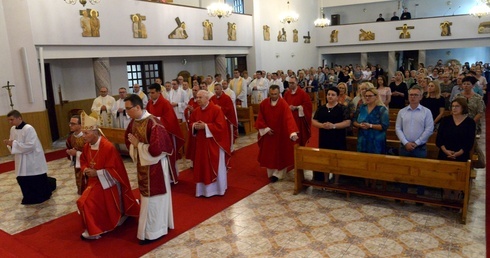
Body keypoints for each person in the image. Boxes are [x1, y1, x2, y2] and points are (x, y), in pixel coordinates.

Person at [77, 111, 139, 240]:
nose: (83, 136)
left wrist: (97, 173)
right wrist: (85, 169)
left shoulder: (107, 147)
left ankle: (98, 228)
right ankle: (95, 224)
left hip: (108, 182)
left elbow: (114, 170)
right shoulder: (87, 146)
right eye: (83, 133)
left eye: (86, 133)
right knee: (82, 201)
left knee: (86, 202)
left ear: (94, 132)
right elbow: (83, 160)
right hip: (94, 182)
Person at [124, 94, 174, 245]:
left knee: (153, 200)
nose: (127, 112)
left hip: (156, 166)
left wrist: (138, 144)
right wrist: (135, 145)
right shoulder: (134, 122)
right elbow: (128, 140)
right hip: (143, 165)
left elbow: (157, 150)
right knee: (146, 199)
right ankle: (149, 229)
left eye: (128, 109)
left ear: (138, 107)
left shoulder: (153, 123)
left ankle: (154, 231)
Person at [4, 110, 56, 205]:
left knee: (35, 177)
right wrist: (10, 144)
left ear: (19, 118)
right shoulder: (13, 129)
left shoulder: (28, 128)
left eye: (12, 119)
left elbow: (31, 145)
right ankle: (28, 197)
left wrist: (13, 144)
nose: (10, 122)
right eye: (9, 120)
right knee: (23, 178)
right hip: (20, 158)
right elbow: (12, 142)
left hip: (31, 157)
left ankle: (41, 196)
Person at [188, 90, 231, 197]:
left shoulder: (216, 110)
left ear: (207, 99)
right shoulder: (196, 111)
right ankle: (202, 191)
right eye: (197, 97)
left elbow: (221, 127)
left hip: (214, 144)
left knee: (214, 165)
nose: (197, 99)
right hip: (201, 144)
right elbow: (191, 123)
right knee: (201, 166)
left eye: (200, 97)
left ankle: (218, 189)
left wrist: (206, 126)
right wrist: (194, 126)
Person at [255, 85, 299, 183]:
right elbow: (260, 118)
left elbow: (289, 118)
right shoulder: (264, 103)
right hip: (268, 134)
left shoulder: (283, 104)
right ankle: (271, 173)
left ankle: (278, 174)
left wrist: (292, 132)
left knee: (280, 153)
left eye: (275, 94)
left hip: (281, 133)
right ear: (269, 93)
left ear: (279, 93)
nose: (273, 96)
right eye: (271, 94)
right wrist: (265, 129)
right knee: (269, 154)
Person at [395, 86, 434, 196]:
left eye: (416, 95)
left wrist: (417, 143)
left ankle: (420, 194)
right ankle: (403, 193)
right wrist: (405, 142)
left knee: (419, 172)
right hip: (404, 146)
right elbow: (398, 128)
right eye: (411, 95)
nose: (413, 97)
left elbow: (429, 129)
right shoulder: (402, 112)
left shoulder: (426, 112)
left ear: (421, 97)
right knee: (404, 171)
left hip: (420, 147)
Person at [146, 83, 185, 183]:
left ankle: (171, 178)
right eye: (149, 93)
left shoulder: (165, 103)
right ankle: (161, 178)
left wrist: (155, 119)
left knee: (167, 156)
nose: (151, 95)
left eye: (153, 92)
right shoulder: (150, 103)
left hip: (166, 134)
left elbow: (170, 120)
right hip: (155, 135)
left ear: (159, 92)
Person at [311, 87, 351, 183]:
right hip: (324, 137)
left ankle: (336, 181)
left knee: (337, 160)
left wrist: (333, 126)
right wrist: (322, 125)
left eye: (333, 95)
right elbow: (313, 121)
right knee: (325, 159)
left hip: (338, 137)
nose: (330, 96)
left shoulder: (342, 108)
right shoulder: (321, 108)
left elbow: (347, 122)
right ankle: (325, 180)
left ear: (337, 97)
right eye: (328, 94)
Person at [353, 88, 389, 154]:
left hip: (376, 140)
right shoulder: (361, 107)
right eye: (366, 96)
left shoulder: (382, 109)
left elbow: (384, 126)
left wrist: (370, 126)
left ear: (376, 96)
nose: (367, 98)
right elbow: (354, 120)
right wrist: (359, 125)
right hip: (363, 139)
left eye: (370, 96)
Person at [283, 76, 312, 146]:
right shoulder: (286, 94)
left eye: (292, 83)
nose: (291, 84)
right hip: (289, 118)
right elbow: (283, 104)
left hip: (299, 118)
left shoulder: (302, 93)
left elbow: (308, 106)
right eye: (289, 83)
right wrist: (287, 107)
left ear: (296, 83)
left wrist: (297, 107)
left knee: (299, 137)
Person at [210, 83, 238, 151]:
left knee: (228, 134)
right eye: (215, 89)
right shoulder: (212, 98)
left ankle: (230, 148)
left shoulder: (227, 98)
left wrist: (220, 108)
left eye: (217, 89)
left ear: (221, 89)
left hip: (227, 119)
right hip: (217, 120)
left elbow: (229, 109)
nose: (216, 91)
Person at [66, 115, 86, 195]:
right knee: (78, 179)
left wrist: (76, 153)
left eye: (73, 124)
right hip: (77, 164)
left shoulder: (86, 137)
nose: (70, 125)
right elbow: (69, 148)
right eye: (70, 123)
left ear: (80, 125)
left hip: (86, 165)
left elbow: (90, 153)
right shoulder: (70, 138)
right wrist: (70, 153)